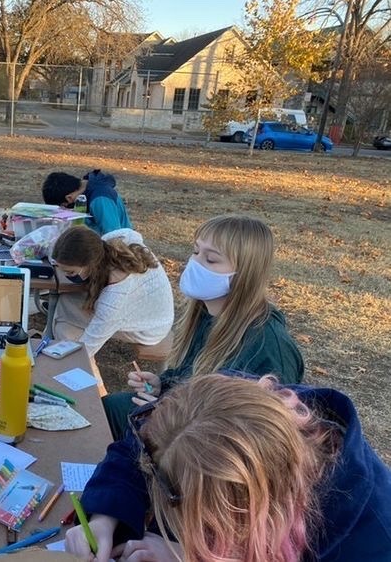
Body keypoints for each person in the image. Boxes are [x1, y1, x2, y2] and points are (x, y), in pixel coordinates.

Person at [65, 374, 391, 562]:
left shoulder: (371, 542)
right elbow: (140, 449)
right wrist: (105, 517)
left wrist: (189, 557)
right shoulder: (219, 404)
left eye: (176, 500)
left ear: (239, 510)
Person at [102, 214, 304, 438]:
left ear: (245, 274)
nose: (194, 264)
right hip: (181, 419)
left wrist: (169, 414)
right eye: (196, 251)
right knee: (109, 407)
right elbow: (191, 373)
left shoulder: (269, 347)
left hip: (206, 448)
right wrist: (163, 384)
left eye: (211, 260)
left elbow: (266, 436)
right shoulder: (206, 313)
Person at [50, 227, 174, 395]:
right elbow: (132, 232)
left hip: (150, 327)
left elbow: (88, 346)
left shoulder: (115, 297)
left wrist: (66, 352)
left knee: (68, 332)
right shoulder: (111, 241)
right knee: (66, 303)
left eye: (70, 272)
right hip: (151, 310)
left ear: (90, 264)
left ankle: (98, 394)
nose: (65, 275)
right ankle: (51, 345)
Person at [42, 169, 132, 235]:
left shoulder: (100, 199)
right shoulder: (86, 187)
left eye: (64, 206)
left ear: (69, 198)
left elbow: (114, 236)